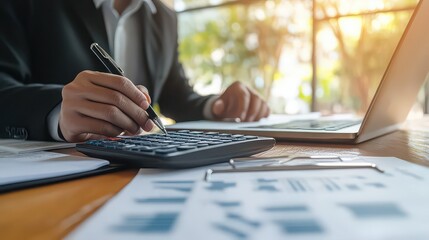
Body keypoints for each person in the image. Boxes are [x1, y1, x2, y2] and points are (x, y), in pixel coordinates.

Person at [0, 0, 270, 142]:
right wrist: (57, 112)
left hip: (137, 170)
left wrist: (219, 105)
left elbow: (176, 95)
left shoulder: (164, 18)